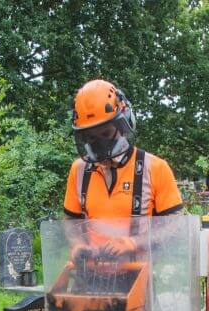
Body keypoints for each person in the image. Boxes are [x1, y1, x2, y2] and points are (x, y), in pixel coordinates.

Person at [63, 80, 184, 221]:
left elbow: (174, 226)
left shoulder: (156, 168)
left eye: (105, 133)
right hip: (92, 244)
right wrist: (78, 243)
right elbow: (70, 225)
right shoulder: (79, 171)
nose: (100, 143)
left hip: (141, 244)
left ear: (122, 124)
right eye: (91, 136)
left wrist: (134, 241)